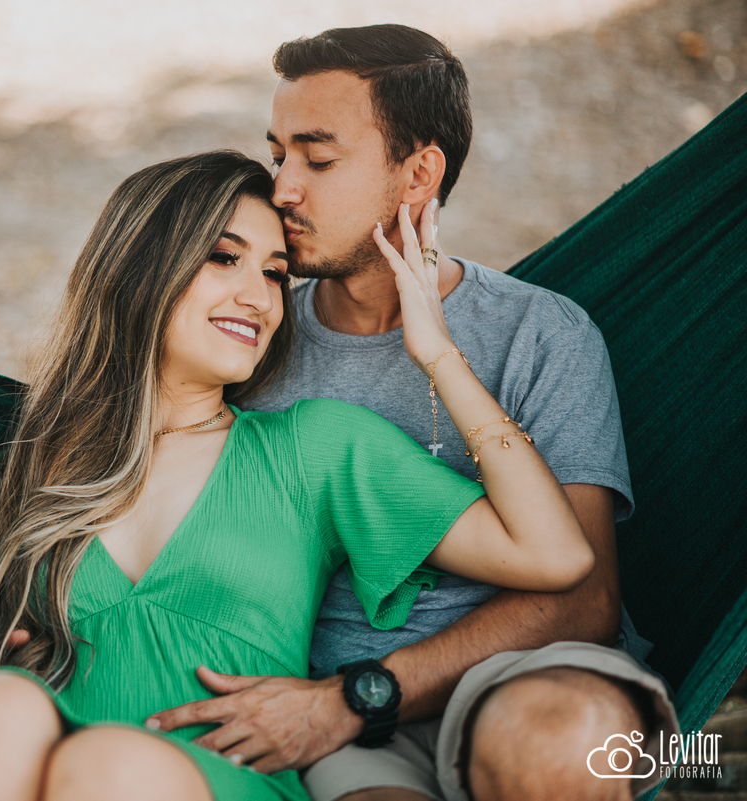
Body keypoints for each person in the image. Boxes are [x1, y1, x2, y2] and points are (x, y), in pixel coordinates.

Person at [0, 149, 596, 801]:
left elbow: (554, 553)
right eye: (225, 258)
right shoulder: (15, 478)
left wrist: (437, 353)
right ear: (140, 267)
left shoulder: (312, 450)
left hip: (211, 779)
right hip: (25, 768)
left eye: (275, 274)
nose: (260, 297)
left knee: (110, 766)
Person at [145, 25, 679, 801]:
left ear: (419, 173)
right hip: (336, 715)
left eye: (318, 159)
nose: (282, 189)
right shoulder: (250, 342)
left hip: (527, 676)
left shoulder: (540, 333)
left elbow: (585, 599)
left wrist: (361, 693)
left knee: (555, 743)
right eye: (278, 155)